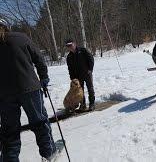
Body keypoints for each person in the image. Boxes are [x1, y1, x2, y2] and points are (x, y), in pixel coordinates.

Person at [0, 18, 57, 161]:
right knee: (39, 122)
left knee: (9, 131)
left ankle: (10, 159)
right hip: (29, 88)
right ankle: (48, 153)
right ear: (7, 26)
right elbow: (38, 58)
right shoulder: (21, 37)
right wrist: (43, 76)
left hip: (5, 94)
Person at [65, 39, 95, 111]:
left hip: (87, 73)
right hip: (78, 77)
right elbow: (70, 69)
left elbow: (91, 59)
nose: (70, 47)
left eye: (70, 45)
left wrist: (90, 69)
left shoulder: (83, 50)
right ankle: (83, 104)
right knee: (80, 92)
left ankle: (92, 104)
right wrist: (72, 78)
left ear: (74, 44)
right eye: (68, 46)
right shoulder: (69, 57)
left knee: (90, 88)